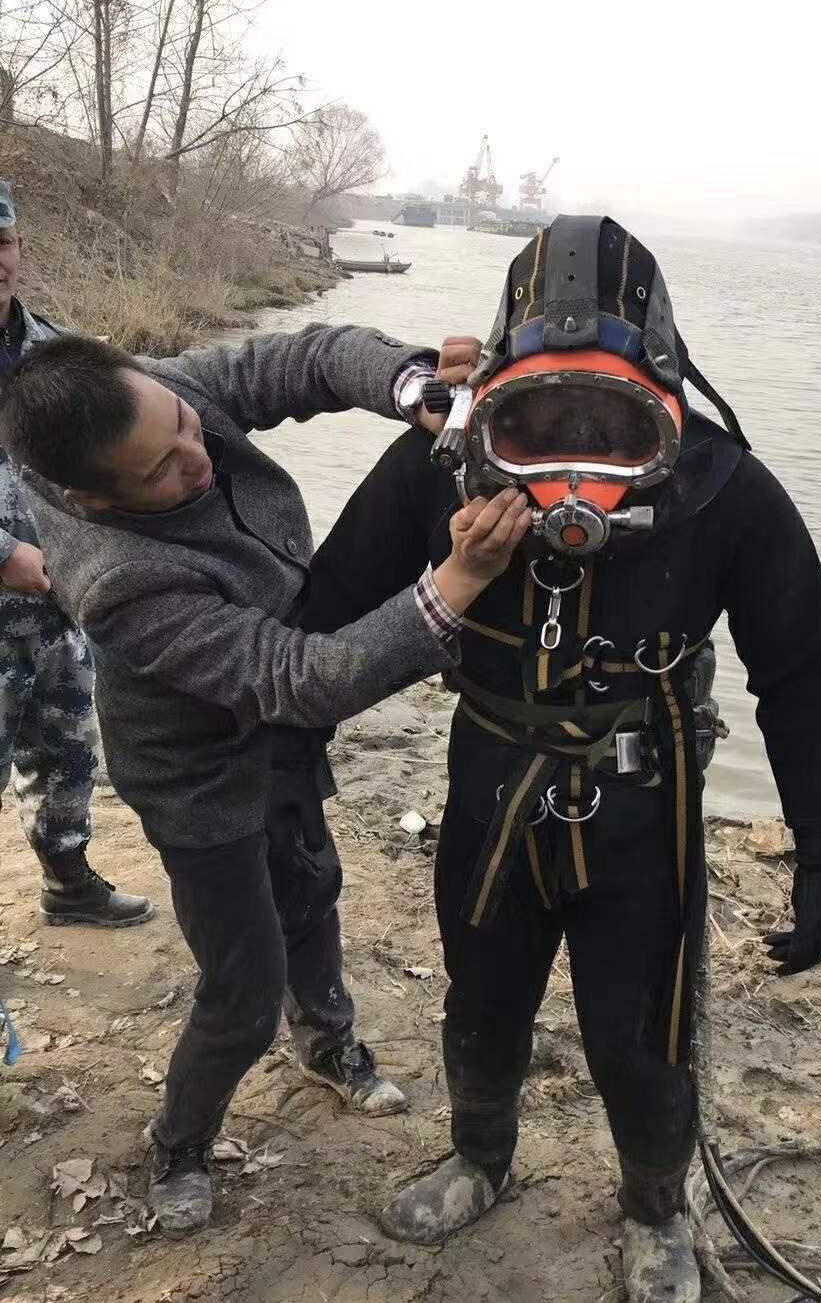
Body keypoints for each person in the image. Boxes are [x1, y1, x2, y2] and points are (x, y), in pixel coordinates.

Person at [299, 216, 821, 1303]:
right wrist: (288, 768)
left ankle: (655, 1206)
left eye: (608, 425)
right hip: (490, 778)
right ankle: (480, 1157)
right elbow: (326, 614)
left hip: (645, 798)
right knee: (481, 990)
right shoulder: (433, 468)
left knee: (640, 1027)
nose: (570, 465)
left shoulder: (722, 487)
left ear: (666, 400)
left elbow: (799, 672)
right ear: (492, 399)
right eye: (537, 421)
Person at [0, 322, 530, 1235]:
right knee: (244, 989)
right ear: (92, 497)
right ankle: (179, 1140)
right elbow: (305, 678)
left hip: (277, 718)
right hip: (199, 776)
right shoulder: (119, 581)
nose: (197, 458)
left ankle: (325, 1040)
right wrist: (459, 580)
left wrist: (412, 386)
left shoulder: (158, 398)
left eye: (186, 428)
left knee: (310, 887)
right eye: (163, 471)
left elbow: (304, 360)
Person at [0, 178, 152, 927]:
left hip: (56, 608)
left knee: (64, 748)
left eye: (1, 242)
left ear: (20, 248)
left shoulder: (57, 355)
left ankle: (68, 882)